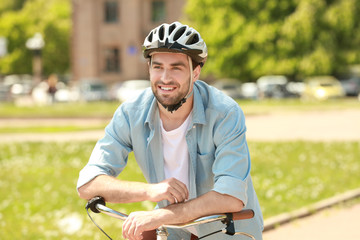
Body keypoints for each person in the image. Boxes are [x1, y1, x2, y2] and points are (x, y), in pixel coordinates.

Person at [77, 21, 263, 240]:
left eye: (176, 67)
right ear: (149, 69)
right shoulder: (131, 113)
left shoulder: (224, 113)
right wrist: (151, 191)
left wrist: (161, 216)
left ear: (195, 72)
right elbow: (88, 183)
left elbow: (230, 196)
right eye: (158, 67)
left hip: (226, 232)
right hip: (174, 233)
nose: (165, 78)